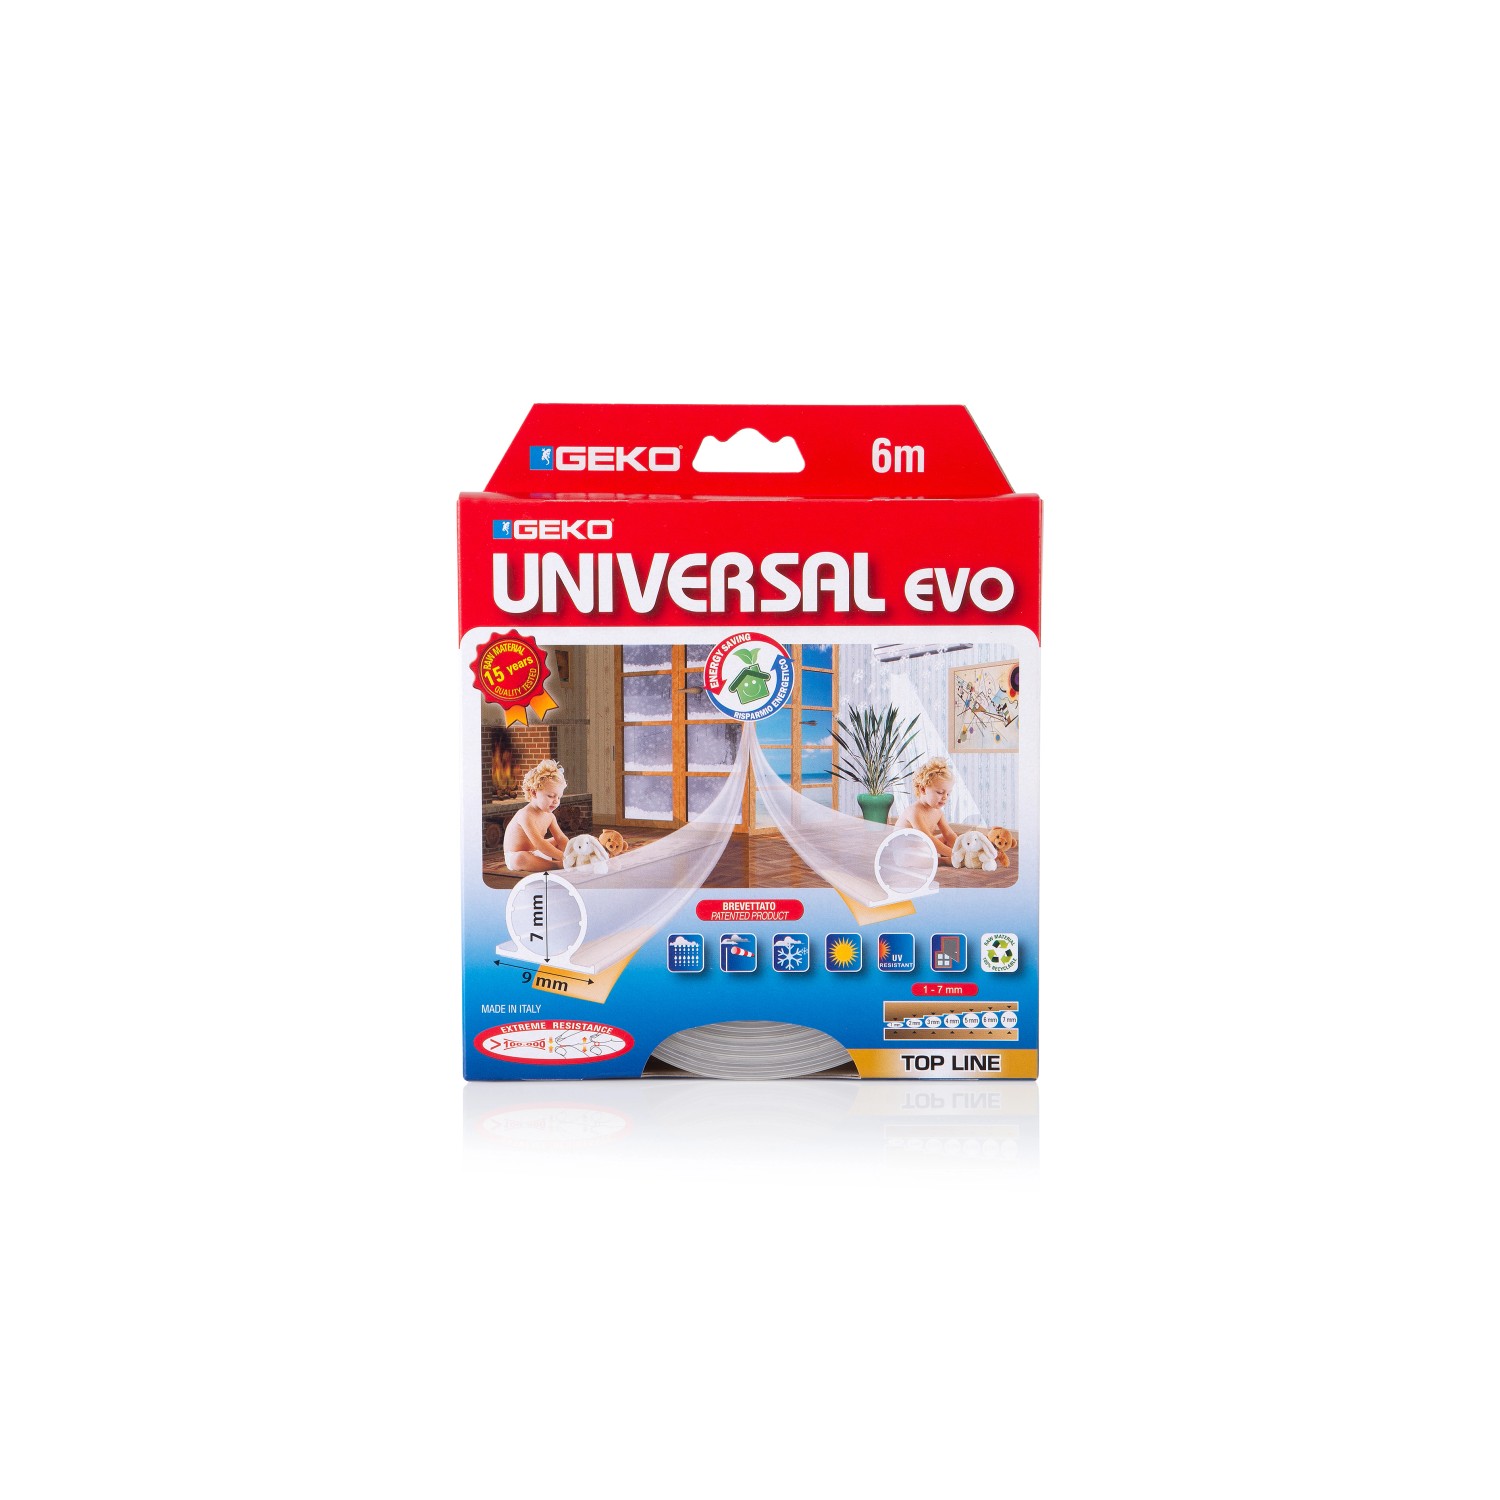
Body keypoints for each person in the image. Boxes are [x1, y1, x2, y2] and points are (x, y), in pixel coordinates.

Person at [503, 759, 571, 872]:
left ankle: (567, 859)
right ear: (534, 792)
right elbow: (539, 843)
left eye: (559, 797)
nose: (556, 801)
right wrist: (563, 857)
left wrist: (572, 853)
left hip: (538, 852)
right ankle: (557, 865)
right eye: (551, 796)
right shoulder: (525, 815)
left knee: (558, 840)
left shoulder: (550, 816)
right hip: (519, 856)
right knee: (520, 858)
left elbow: (560, 838)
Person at [895, 756, 957, 860]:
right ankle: (942, 861)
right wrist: (953, 854)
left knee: (946, 838)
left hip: (922, 847)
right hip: (905, 853)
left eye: (948, 794)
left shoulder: (938, 812)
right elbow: (928, 838)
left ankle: (942, 857)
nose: (945, 797)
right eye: (940, 792)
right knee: (915, 853)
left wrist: (963, 850)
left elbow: (949, 834)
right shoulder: (914, 812)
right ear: (923, 789)